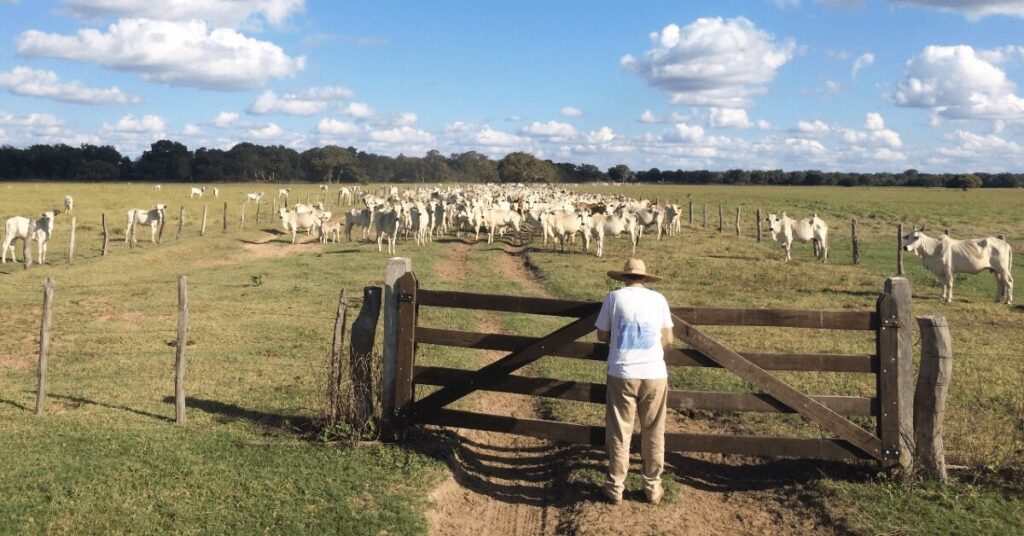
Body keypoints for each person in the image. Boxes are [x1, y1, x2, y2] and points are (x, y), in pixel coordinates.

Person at [595, 257, 674, 505]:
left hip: (622, 372)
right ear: (644, 277)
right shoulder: (658, 299)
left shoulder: (614, 298)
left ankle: (615, 486)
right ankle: (652, 487)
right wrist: (648, 348)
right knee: (653, 430)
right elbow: (669, 338)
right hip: (654, 372)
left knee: (620, 431)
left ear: (624, 277)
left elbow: (602, 334)